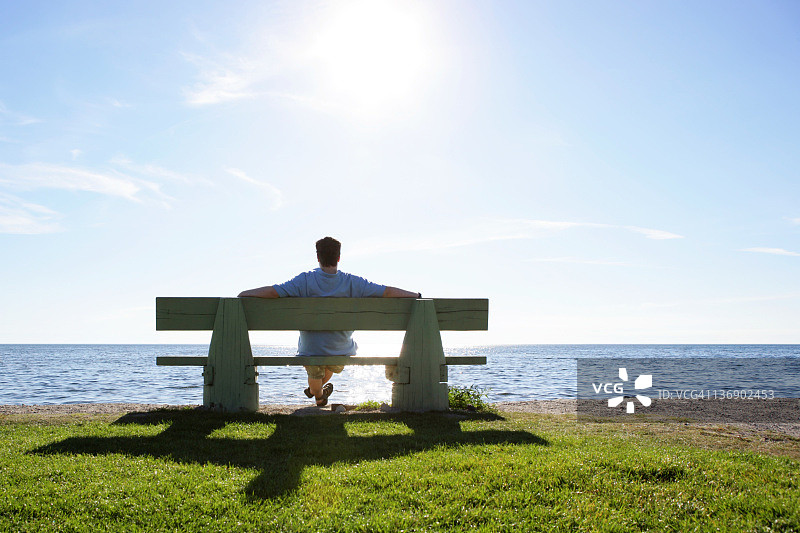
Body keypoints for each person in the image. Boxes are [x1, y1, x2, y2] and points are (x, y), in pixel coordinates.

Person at [238, 236, 420, 407]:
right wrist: (415, 295)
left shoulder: (305, 280)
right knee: (330, 363)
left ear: (318, 257)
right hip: (341, 350)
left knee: (315, 366)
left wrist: (244, 294)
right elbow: (386, 292)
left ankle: (316, 394)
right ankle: (316, 394)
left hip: (310, 350)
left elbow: (274, 292)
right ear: (339, 258)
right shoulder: (353, 282)